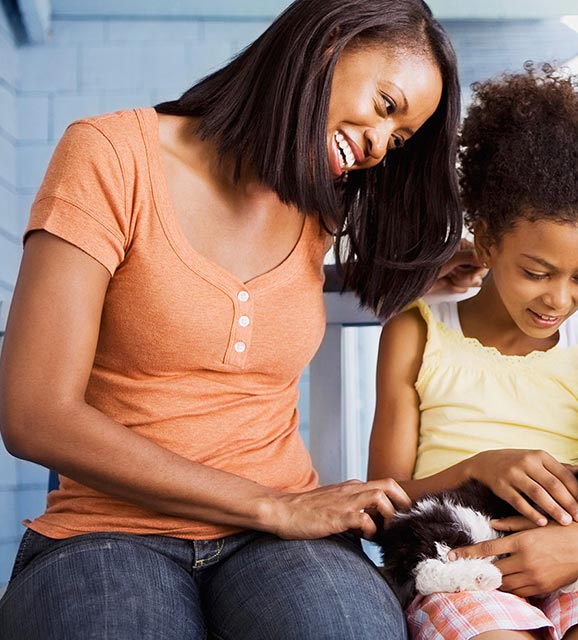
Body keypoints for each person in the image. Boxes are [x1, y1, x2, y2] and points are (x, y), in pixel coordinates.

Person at [0, 1, 484, 638]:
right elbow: (35, 416)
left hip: (284, 542)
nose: (376, 146)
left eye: (396, 142)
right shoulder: (110, 155)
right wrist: (273, 506)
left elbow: (254, 296)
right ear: (331, 40)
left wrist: (419, 275)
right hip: (106, 531)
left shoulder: (319, 200)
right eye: (386, 105)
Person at [367, 64, 578, 640]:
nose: (560, 299)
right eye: (536, 272)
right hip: (462, 566)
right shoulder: (419, 333)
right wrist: (479, 467)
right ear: (485, 241)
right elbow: (385, 500)